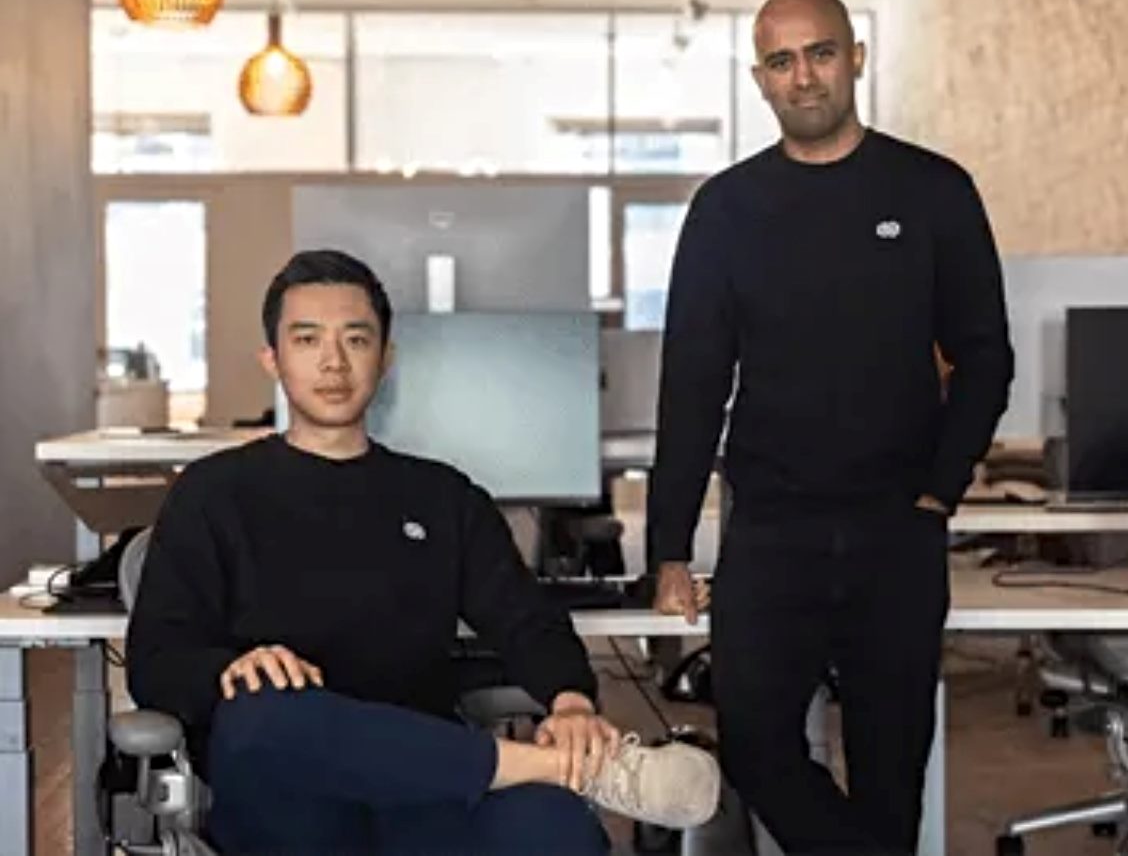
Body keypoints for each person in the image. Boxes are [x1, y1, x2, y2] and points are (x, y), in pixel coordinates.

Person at [127, 249, 719, 855]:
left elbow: (526, 619)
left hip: (425, 790)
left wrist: (570, 701)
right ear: (272, 359)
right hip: (287, 795)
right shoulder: (213, 492)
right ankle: (562, 769)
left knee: (557, 830)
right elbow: (155, 662)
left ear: (385, 358)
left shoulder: (442, 497)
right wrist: (230, 670)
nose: (333, 362)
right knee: (266, 714)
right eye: (307, 340)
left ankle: (550, 772)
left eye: (356, 339)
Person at [648, 0, 1014, 856]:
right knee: (754, 748)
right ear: (760, 80)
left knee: (891, 777)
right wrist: (670, 548)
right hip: (771, 533)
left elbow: (985, 357)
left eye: (819, 53)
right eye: (781, 61)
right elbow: (693, 386)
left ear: (855, 57)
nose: (803, 76)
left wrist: (941, 489)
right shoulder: (726, 210)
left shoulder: (933, 191)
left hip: (898, 530)